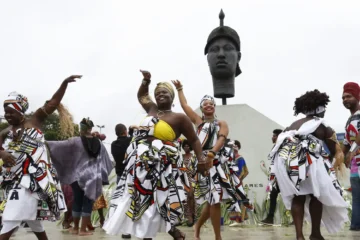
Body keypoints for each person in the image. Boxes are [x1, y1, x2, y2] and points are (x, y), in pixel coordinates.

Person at [103, 70, 208, 240]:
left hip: (163, 167)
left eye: (164, 92)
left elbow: (195, 140)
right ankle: (166, 232)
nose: (160, 95)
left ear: (171, 97)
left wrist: (202, 159)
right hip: (140, 166)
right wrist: (146, 81)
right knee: (138, 200)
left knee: (158, 200)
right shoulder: (151, 109)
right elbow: (142, 96)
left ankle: (168, 230)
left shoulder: (179, 118)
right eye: (157, 93)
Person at [0, 75, 80, 240]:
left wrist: (64, 84)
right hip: (13, 180)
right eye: (5, 112)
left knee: (10, 218)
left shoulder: (34, 121)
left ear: (19, 110)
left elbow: (52, 103)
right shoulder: (5, 132)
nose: (7, 115)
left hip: (34, 180)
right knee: (34, 221)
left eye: (10, 112)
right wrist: (2, 153)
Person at [172, 80, 253, 240]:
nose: (209, 106)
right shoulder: (198, 122)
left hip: (217, 164)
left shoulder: (221, 123)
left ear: (214, 107)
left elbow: (222, 138)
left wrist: (212, 153)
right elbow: (185, 106)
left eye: (211, 104)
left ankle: (199, 229)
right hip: (203, 165)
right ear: (202, 108)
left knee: (212, 202)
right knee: (213, 200)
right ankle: (216, 236)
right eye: (205, 104)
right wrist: (180, 89)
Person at [268, 89, 348, 240]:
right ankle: (315, 234)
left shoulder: (292, 125)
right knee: (316, 196)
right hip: (310, 165)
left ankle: (299, 236)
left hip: (289, 166)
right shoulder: (322, 125)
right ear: (320, 108)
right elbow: (334, 150)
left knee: (298, 198)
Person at [46, 118, 113, 236]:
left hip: (77, 177)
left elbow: (59, 146)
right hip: (93, 178)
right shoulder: (99, 144)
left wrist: (45, 142)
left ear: (82, 129)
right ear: (90, 129)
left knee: (77, 200)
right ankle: (83, 230)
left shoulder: (75, 141)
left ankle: (76, 228)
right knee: (88, 202)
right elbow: (106, 161)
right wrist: (102, 176)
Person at [341, 82, 360, 231]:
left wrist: (352, 152)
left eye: (349, 96)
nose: (345, 99)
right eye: (343, 97)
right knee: (357, 198)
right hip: (355, 167)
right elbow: (347, 142)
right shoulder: (350, 120)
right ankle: (355, 226)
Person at [261, 129, 283, 225]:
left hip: (283, 178)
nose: (272, 137)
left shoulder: (282, 147)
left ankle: (297, 219)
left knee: (292, 198)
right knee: (273, 195)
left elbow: (282, 164)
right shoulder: (275, 147)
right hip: (277, 178)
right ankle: (270, 218)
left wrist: (279, 177)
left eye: (274, 136)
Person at [229, 140, 249, 226]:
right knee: (234, 200)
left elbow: (243, 171)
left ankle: (239, 219)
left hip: (237, 182)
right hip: (231, 182)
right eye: (233, 145)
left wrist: (238, 179)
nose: (234, 147)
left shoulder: (240, 158)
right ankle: (237, 219)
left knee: (239, 199)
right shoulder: (230, 158)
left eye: (236, 145)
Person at [180, 139, 196, 227]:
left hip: (191, 179)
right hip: (183, 180)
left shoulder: (193, 157)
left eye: (188, 145)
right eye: (185, 146)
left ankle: (193, 216)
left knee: (191, 197)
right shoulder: (181, 157)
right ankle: (188, 217)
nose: (186, 147)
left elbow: (195, 169)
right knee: (184, 199)